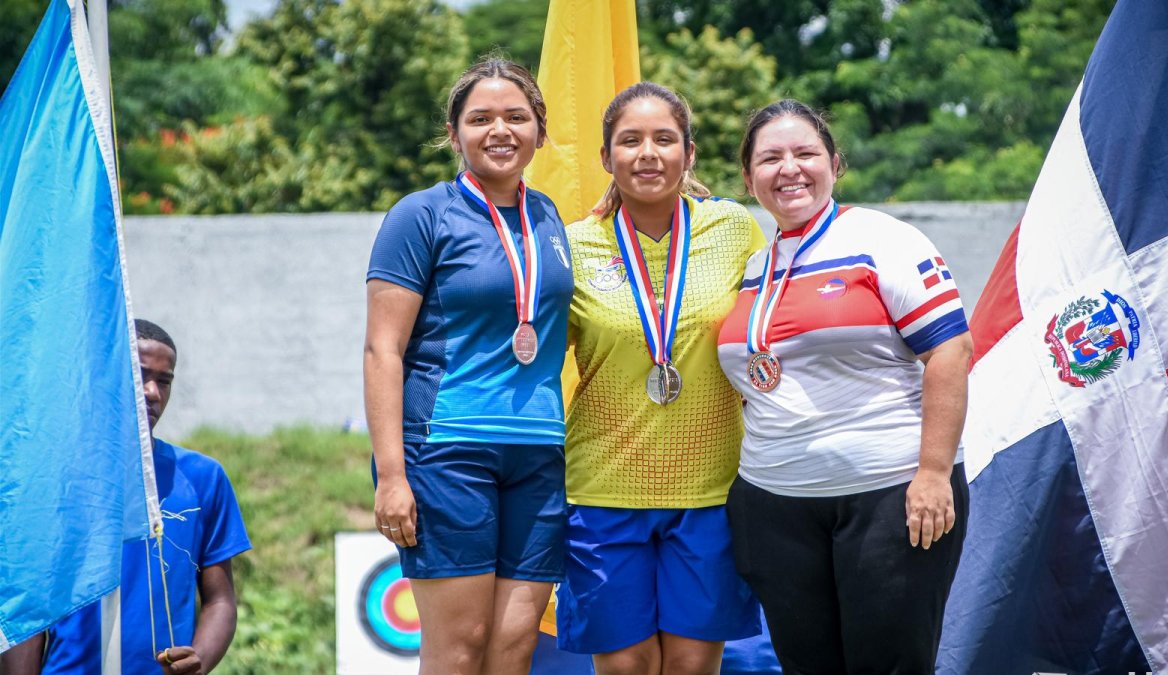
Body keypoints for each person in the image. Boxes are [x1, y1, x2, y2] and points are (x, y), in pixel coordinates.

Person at [719, 99, 974, 674]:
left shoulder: (884, 239)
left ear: (834, 163)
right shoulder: (752, 268)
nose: (789, 169)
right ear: (748, 176)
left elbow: (951, 351)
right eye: (770, 158)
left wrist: (933, 473)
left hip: (888, 498)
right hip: (775, 507)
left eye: (805, 153)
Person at [363, 58, 574, 675]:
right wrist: (391, 476)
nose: (499, 130)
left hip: (539, 456)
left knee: (513, 648)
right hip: (447, 451)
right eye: (480, 119)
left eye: (516, 116)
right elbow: (382, 351)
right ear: (454, 134)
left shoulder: (551, 218)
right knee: (460, 648)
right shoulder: (421, 215)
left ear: (540, 129)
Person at [556, 82, 764, 675]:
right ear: (606, 158)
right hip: (602, 490)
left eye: (663, 139)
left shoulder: (733, 229)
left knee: (694, 666)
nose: (648, 153)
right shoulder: (574, 246)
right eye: (630, 140)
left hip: (711, 490)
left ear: (689, 154)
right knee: (626, 667)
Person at [0, 319, 252, 675]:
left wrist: (199, 660)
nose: (152, 392)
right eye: (140, 375)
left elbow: (220, 600)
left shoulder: (202, 477)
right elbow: (26, 611)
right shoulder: (51, 479)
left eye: (164, 381)